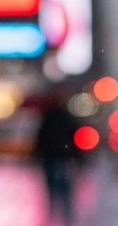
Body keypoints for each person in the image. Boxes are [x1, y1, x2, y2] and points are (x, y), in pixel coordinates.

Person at [34, 91, 82, 225]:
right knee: (63, 190)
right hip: (61, 158)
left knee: (54, 190)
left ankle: (55, 217)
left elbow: (41, 140)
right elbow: (75, 139)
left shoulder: (48, 119)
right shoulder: (66, 118)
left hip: (55, 158)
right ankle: (64, 217)